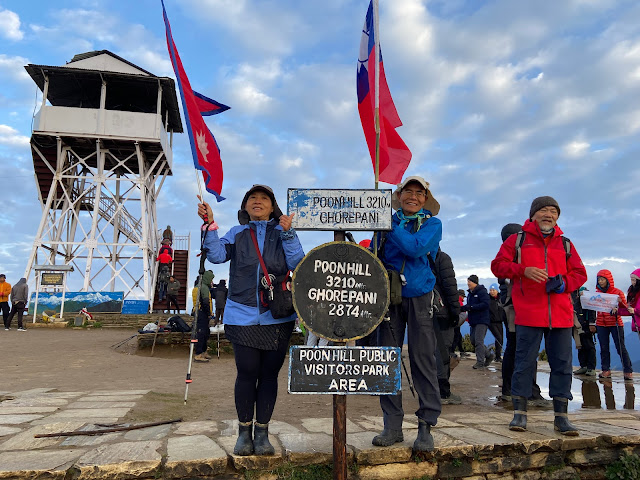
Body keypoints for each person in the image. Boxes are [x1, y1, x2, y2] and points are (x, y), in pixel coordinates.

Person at [198, 184, 303, 456]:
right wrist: (209, 226)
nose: (258, 201)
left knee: (269, 375)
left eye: (264, 198)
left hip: (277, 315)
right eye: (252, 198)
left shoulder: (284, 232)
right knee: (246, 373)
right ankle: (244, 432)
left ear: (272, 206)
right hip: (240, 313)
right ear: (245, 206)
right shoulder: (236, 233)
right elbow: (217, 255)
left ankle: (263, 432)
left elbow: (298, 263)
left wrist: (289, 234)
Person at [491, 196, 587, 436]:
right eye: (543, 210)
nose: (549, 214)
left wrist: (563, 283)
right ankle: (519, 414)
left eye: (553, 211)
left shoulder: (565, 243)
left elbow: (580, 273)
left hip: (561, 315)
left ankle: (561, 417)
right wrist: (523, 271)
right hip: (528, 313)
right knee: (523, 363)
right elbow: (497, 266)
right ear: (533, 214)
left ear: (557, 217)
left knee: (562, 365)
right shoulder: (517, 240)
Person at [371, 175, 442, 453]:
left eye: (419, 193)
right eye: (407, 192)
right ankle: (392, 425)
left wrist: (388, 225)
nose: (413, 196)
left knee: (423, 358)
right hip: (389, 298)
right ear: (399, 196)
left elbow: (416, 248)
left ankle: (426, 424)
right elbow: (376, 256)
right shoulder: (384, 224)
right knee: (386, 359)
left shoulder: (433, 224)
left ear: (425, 199)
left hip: (420, 296)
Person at [497, 223, 547, 405]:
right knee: (523, 350)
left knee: (516, 349)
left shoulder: (507, 258)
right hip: (516, 310)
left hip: (512, 310)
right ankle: (527, 391)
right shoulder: (512, 260)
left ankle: (513, 390)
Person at [429, 248, 462, 405]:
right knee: (443, 351)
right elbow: (450, 287)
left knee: (428, 352)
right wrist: (456, 313)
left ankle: (430, 389)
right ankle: (443, 392)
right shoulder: (442, 258)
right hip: (442, 312)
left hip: (422, 312)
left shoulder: (416, 256)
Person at [591, 270, 633, 380]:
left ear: (608, 280)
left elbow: (626, 309)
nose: (600, 281)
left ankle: (628, 370)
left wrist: (619, 304)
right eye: (598, 279)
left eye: (602, 279)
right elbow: (592, 306)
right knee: (604, 348)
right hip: (601, 323)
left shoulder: (617, 292)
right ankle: (606, 370)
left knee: (620, 347)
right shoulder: (596, 293)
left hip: (615, 323)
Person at [461, 275, 494, 369]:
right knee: (473, 340)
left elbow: (485, 304)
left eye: (469, 282)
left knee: (479, 341)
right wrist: (460, 308)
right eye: (467, 282)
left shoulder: (482, 292)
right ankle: (489, 355)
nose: (468, 284)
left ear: (475, 282)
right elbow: (469, 305)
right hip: (473, 321)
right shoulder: (470, 294)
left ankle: (480, 362)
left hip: (482, 320)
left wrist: (472, 307)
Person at [571, 287, 596, 376]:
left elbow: (591, 308)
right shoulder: (570, 292)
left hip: (584, 323)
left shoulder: (584, 291)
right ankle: (583, 366)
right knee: (580, 345)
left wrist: (592, 323)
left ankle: (591, 368)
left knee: (588, 345)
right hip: (574, 323)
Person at [193, 270, 214, 363]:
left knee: (205, 332)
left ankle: (203, 351)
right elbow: (206, 301)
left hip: (199, 312)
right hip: (202, 313)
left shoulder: (198, 286)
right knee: (202, 333)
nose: (212, 281)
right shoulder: (204, 288)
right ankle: (199, 354)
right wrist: (209, 313)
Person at [488, 283, 505, 362]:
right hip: (491, 322)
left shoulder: (500, 298)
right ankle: (497, 356)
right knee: (498, 337)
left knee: (500, 339)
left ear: (497, 291)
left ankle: (498, 356)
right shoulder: (488, 299)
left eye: (493, 290)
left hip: (499, 321)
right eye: (490, 290)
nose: (492, 292)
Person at [452, 289, 468, 356]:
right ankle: (452, 351)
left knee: (459, 337)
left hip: (453, 321)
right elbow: (463, 314)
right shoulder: (460, 302)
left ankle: (461, 350)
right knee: (456, 337)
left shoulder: (455, 301)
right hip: (456, 322)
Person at [626, 269, 640, 341]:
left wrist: (634, 310)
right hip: (637, 324)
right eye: (631, 280)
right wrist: (617, 310)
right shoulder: (632, 293)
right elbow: (629, 309)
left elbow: (633, 310)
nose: (632, 282)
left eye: (634, 280)